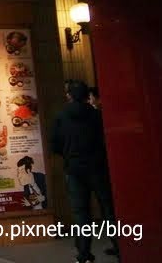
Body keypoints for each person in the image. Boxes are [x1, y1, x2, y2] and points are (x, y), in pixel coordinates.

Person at [51, 80, 119, 263]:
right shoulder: (97, 116)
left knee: (81, 213)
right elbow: (107, 140)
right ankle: (120, 248)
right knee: (108, 209)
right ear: (87, 96)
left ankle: (84, 254)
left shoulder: (61, 117)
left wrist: (68, 155)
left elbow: (55, 144)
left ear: (69, 95)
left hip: (74, 169)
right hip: (98, 168)